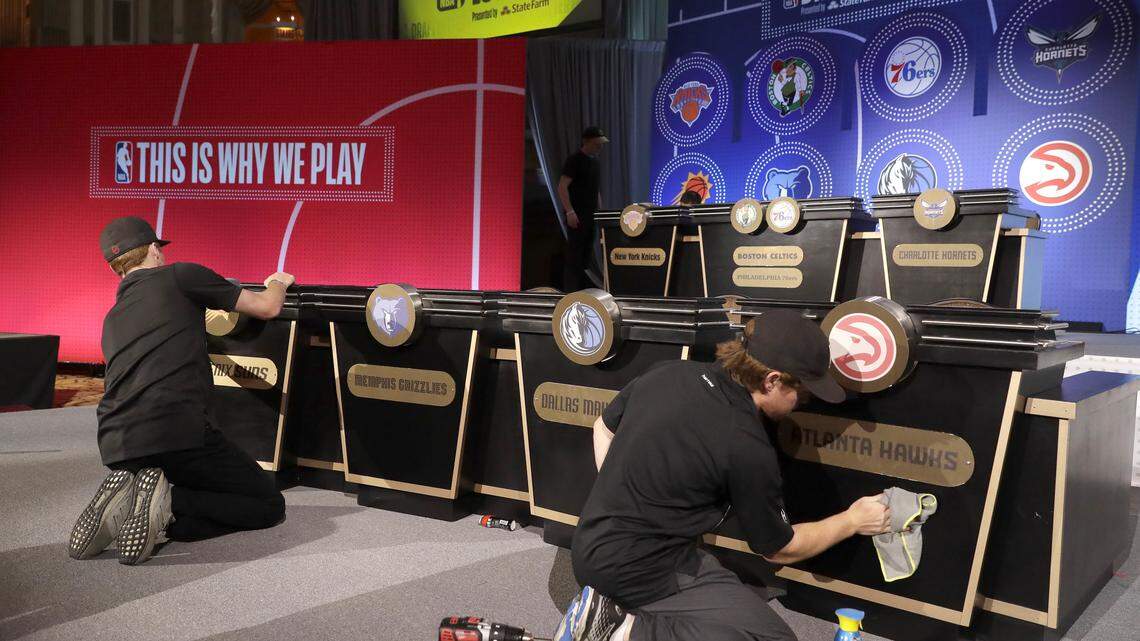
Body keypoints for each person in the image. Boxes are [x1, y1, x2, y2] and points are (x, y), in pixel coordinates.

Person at [555, 310, 891, 641]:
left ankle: (617, 613)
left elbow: (603, 428)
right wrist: (853, 520)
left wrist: (623, 495)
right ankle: (621, 630)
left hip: (588, 545)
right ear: (772, 381)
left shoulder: (667, 372)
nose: (802, 402)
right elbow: (780, 548)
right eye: (802, 393)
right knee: (772, 638)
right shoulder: (745, 444)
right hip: (645, 570)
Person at [68, 216, 293, 565]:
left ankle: (144, 504)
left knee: (195, 502)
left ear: (115, 268)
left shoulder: (112, 317)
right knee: (268, 504)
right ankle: (170, 503)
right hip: (177, 432)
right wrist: (278, 282)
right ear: (154, 250)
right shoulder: (180, 276)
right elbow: (268, 307)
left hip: (117, 444)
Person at [558, 126, 608, 291]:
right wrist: (570, 211)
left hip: (591, 216)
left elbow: (596, 189)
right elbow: (562, 186)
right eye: (596, 143)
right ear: (587, 142)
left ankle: (583, 291)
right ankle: (570, 292)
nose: (599, 147)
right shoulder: (574, 160)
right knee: (575, 255)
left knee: (586, 255)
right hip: (577, 215)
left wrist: (601, 213)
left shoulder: (595, 163)